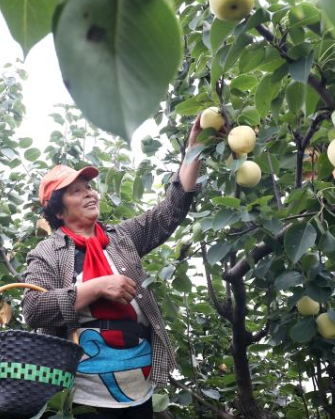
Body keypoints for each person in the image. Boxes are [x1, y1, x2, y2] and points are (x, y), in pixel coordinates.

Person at [22, 116, 204, 418]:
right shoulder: (47, 252)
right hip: (84, 392)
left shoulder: (120, 238)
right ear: (57, 208)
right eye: (77, 190)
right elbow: (33, 308)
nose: (90, 193)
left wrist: (194, 148)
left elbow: (171, 210)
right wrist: (95, 287)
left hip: (139, 384)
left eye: (89, 187)